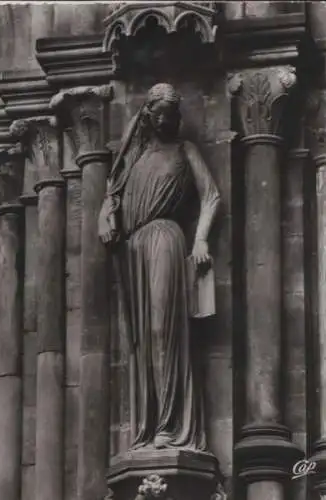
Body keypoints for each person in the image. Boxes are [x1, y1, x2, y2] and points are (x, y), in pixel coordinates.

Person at [98, 83, 220, 451]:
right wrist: (106, 217)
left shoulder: (186, 150)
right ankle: (148, 427)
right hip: (133, 250)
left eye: (175, 113)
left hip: (166, 239)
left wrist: (200, 239)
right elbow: (111, 200)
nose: (172, 120)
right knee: (139, 341)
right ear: (149, 115)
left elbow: (211, 195)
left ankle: (172, 424)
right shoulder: (130, 162)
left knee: (161, 330)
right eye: (164, 113)